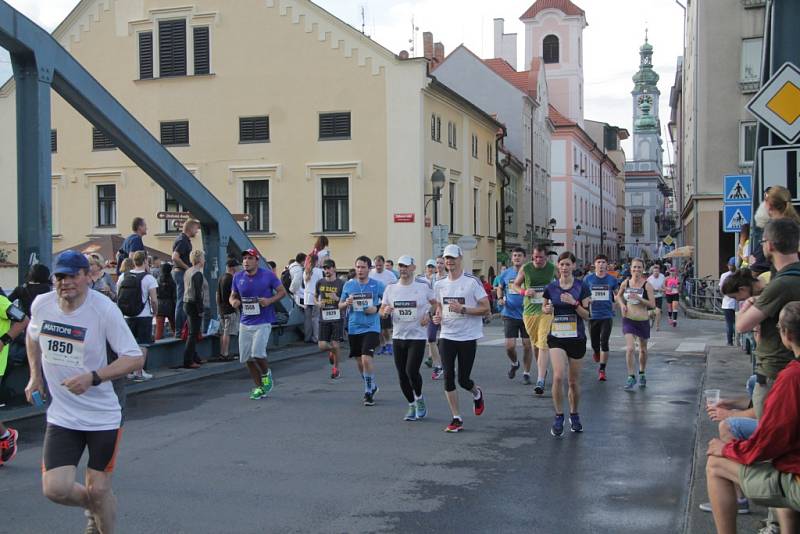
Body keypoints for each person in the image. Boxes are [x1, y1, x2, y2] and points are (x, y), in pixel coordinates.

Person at [25, 250, 144, 533]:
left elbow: (134, 357)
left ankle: (100, 514)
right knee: (55, 489)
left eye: (72, 276)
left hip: (102, 414)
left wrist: (93, 377)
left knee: (100, 489)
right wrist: (34, 377)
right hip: (63, 415)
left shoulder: (103, 309)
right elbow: (33, 337)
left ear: (87, 277)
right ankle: (92, 507)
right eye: (60, 276)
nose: (65, 282)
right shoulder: (42, 304)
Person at [705, 302, 800, 534]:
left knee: (715, 465)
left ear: (786, 335)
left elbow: (768, 440)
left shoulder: (792, 377)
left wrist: (726, 449)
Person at [736, 218, 800, 419]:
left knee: (767, 435)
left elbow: (742, 325)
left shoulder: (780, 284)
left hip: (775, 369)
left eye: (762, 242)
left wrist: (747, 305)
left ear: (770, 245)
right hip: (791, 368)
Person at [432, 244, 489, 433]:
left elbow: (486, 308)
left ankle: (476, 392)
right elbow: (439, 306)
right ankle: (456, 417)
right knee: (448, 377)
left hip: (467, 336)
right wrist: (437, 316)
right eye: (446, 258)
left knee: (463, 380)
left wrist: (463, 309)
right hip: (447, 335)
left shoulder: (472, 282)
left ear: (460, 259)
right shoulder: (440, 283)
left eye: (452, 258)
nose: (449, 261)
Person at [380, 255, 436, 421]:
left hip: (417, 336)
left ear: (413, 268)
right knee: (401, 375)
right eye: (400, 266)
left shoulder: (423, 286)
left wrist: (429, 314)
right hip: (398, 336)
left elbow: (435, 304)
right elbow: (382, 309)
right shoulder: (391, 288)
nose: (402, 269)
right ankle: (411, 404)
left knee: (411, 370)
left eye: (406, 266)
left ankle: (419, 398)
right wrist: (385, 312)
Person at [541, 251, 591, 436]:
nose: (564, 268)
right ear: (558, 266)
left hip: (576, 338)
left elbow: (587, 315)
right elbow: (544, 307)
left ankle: (575, 414)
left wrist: (574, 303)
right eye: (561, 264)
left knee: (573, 382)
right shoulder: (551, 287)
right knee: (558, 376)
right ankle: (559, 416)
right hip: (557, 337)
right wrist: (546, 309)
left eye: (568, 264)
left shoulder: (582, 287)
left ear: (574, 266)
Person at [229, 248, 285, 399]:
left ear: (256, 261)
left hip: (263, 321)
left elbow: (282, 292)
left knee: (257, 353)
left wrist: (269, 301)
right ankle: (259, 387)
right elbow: (232, 295)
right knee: (247, 358)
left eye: (249, 258)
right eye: (244, 258)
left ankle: (267, 375)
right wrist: (233, 301)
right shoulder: (238, 277)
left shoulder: (268, 275)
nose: (246, 261)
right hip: (245, 322)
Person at [340, 256, 385, 406]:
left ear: (369, 269)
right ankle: (372, 385)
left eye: (363, 267)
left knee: (366, 358)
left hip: (371, 327)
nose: (360, 270)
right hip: (354, 327)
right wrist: (346, 303)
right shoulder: (349, 285)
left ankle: (367, 391)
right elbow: (339, 305)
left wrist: (376, 309)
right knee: (359, 361)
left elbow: (388, 300)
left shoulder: (377, 285)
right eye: (358, 267)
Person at [512, 245, 556, 395]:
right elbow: (515, 286)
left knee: (544, 342)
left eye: (541, 257)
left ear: (546, 257)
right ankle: (542, 369)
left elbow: (561, 284)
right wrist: (524, 291)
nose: (537, 260)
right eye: (535, 257)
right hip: (529, 312)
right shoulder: (526, 268)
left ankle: (540, 379)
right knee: (535, 345)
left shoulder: (552, 268)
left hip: (546, 311)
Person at [116, 250, 157, 382]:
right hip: (143, 314)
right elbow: (154, 299)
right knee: (143, 344)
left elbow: (118, 295)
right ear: (145, 261)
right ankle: (139, 372)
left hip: (127, 315)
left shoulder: (123, 276)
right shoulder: (148, 278)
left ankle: (128, 372)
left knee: (129, 345)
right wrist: (155, 311)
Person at [0, 292, 30, 468]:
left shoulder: (1, 302)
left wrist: (4, 341)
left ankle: (6, 437)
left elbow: (23, 320)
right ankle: (5, 436)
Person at [618, 258, 656, 390]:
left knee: (643, 350)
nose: (636, 270)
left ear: (643, 269)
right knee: (629, 349)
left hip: (642, 320)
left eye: (639, 267)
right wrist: (622, 305)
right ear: (630, 269)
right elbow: (618, 296)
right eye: (634, 267)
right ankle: (630, 376)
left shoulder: (647, 285)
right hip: (628, 319)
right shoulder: (626, 283)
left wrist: (640, 299)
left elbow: (652, 304)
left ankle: (642, 372)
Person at [497, 247, 533, 384]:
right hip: (509, 313)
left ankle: (526, 373)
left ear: (525, 258)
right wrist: (500, 298)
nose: (517, 258)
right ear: (511, 259)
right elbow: (500, 287)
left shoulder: (530, 272)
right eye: (514, 256)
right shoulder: (506, 274)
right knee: (509, 346)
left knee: (527, 345)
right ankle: (514, 363)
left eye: (519, 255)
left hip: (527, 313)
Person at [583, 254, 619, 382]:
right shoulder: (588, 279)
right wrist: (587, 301)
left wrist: (617, 304)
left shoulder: (612, 280)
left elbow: (617, 294)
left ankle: (602, 370)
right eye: (599, 262)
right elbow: (583, 296)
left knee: (604, 341)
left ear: (607, 265)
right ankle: (596, 352)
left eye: (604, 262)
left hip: (607, 315)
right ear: (595, 264)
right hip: (593, 315)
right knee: (594, 343)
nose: (601, 265)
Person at [316, 258, 345, 379]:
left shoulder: (341, 284)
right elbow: (314, 296)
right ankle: (332, 352)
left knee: (335, 343)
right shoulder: (320, 282)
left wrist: (337, 298)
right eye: (325, 268)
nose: (326, 270)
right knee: (322, 345)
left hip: (337, 317)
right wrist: (318, 304)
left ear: (334, 268)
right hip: (324, 317)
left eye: (328, 268)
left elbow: (345, 300)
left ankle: (336, 369)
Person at [171, 219, 200, 336]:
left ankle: (181, 329)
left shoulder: (182, 239)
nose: (197, 231)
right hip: (180, 272)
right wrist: (187, 267)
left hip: (179, 272)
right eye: (196, 229)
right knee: (181, 301)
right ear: (191, 228)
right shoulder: (183, 240)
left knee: (182, 300)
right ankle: (179, 331)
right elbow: (175, 257)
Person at [182, 249, 208, 369]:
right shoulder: (197, 274)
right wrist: (201, 309)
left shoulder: (188, 271)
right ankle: (188, 360)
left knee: (193, 331)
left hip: (186, 302)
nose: (204, 260)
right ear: (200, 260)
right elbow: (198, 293)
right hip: (194, 304)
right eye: (203, 258)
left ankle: (194, 357)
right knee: (193, 334)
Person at [370, 255, 398, 355]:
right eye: (376, 265)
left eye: (380, 265)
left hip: (386, 303)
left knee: (386, 328)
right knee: (378, 328)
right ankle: (382, 346)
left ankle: (389, 344)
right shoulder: (370, 274)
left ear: (383, 264)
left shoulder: (390, 275)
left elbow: (396, 287)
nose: (378, 267)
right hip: (375, 303)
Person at [424, 257, 446, 380]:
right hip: (432, 311)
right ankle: (438, 366)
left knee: (446, 340)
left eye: (441, 263)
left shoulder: (448, 278)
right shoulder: (431, 279)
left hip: (445, 312)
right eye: (437, 263)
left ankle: (447, 363)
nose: (438, 265)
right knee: (431, 338)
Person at [217, 258, 240, 361]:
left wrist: (219, 307)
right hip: (229, 309)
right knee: (227, 332)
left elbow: (217, 295)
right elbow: (234, 295)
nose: (238, 269)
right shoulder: (231, 279)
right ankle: (225, 353)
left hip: (222, 309)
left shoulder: (221, 278)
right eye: (237, 267)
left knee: (223, 332)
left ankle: (222, 353)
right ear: (232, 268)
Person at [302, 255, 323, 344]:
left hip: (307, 297)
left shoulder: (305, 271)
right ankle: (316, 337)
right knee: (315, 318)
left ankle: (307, 337)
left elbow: (304, 284)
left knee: (307, 319)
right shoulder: (319, 271)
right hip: (316, 297)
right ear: (316, 261)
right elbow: (321, 284)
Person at [154, 263, 177, 341]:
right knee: (175, 329)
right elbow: (174, 296)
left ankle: (157, 347)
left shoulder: (157, 281)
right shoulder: (172, 282)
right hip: (170, 306)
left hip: (159, 305)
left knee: (159, 330)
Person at [720, 258, 738, 347]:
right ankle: (738, 340)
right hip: (738, 303)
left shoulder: (724, 276)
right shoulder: (739, 275)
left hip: (727, 303)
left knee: (729, 323)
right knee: (736, 322)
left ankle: (730, 341)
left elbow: (721, 290)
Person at [647, 263, 666, 331]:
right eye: (654, 271)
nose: (656, 273)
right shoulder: (649, 279)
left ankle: (657, 326)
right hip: (651, 297)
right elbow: (647, 289)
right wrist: (654, 290)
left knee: (658, 312)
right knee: (649, 314)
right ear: (652, 272)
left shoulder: (662, 276)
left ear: (659, 271)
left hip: (659, 297)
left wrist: (663, 290)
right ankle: (652, 317)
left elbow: (664, 286)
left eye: (657, 271)